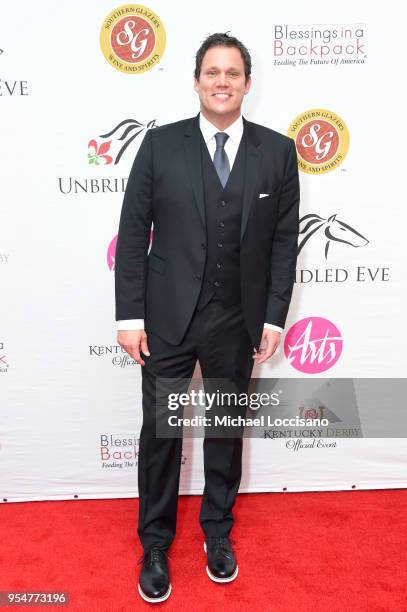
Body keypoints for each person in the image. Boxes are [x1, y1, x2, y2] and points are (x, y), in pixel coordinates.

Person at [115, 32, 300, 603]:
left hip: (236, 322)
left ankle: (217, 533)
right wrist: (128, 317)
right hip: (168, 319)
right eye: (212, 72)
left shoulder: (278, 151)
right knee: (163, 434)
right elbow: (131, 237)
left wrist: (272, 318)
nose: (223, 82)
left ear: (247, 83)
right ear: (196, 81)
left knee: (223, 431)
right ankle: (155, 544)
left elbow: (283, 245)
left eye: (233, 73)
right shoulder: (159, 146)